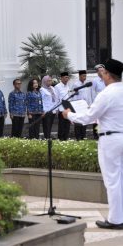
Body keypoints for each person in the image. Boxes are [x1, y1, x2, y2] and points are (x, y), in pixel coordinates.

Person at [62, 58, 123, 230]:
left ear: (107, 74)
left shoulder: (106, 93)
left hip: (110, 140)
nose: (101, 75)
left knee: (112, 181)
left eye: (102, 72)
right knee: (121, 179)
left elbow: (88, 117)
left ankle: (115, 220)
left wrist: (69, 116)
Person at [72, 70, 92, 140]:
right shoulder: (76, 84)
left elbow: (88, 95)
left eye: (85, 76)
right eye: (83, 76)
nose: (85, 77)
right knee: (78, 122)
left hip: (85, 106)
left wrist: (89, 104)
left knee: (84, 122)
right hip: (78, 106)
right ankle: (78, 138)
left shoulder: (87, 84)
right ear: (79, 76)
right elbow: (74, 96)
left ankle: (83, 137)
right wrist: (75, 106)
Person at [91, 64, 106, 139]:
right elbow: (92, 92)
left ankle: (102, 133)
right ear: (97, 72)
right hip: (97, 103)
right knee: (96, 120)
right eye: (100, 70)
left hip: (106, 103)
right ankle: (96, 135)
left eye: (103, 70)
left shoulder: (106, 79)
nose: (102, 72)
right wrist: (93, 103)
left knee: (103, 119)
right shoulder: (95, 81)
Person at [54, 72, 71, 140]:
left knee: (67, 125)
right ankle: (60, 139)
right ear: (61, 78)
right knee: (61, 125)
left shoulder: (68, 86)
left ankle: (65, 138)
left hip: (68, 108)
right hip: (61, 109)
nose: (66, 79)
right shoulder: (57, 87)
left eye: (67, 77)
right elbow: (56, 99)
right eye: (65, 77)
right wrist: (57, 110)